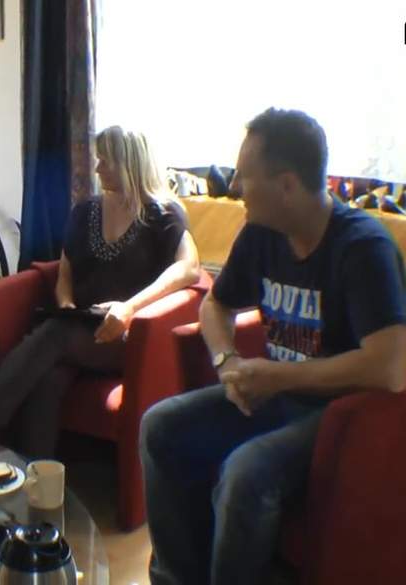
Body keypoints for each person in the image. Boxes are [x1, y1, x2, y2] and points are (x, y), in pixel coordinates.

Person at [140, 108, 406, 585]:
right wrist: (227, 361)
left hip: (340, 416)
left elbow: (390, 366)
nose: (234, 186)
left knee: (245, 473)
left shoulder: (363, 247)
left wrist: (278, 376)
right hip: (276, 396)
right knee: (159, 426)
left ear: (286, 185)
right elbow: (214, 305)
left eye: (245, 175)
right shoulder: (262, 234)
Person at [0, 126, 201, 458]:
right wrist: (65, 304)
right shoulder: (85, 211)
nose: (97, 168)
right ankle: (31, 470)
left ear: (129, 163)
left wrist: (129, 308)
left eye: (105, 160)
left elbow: (189, 268)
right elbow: (65, 271)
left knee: (54, 335)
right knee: (49, 375)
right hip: (80, 327)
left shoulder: (161, 213)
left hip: (126, 336)